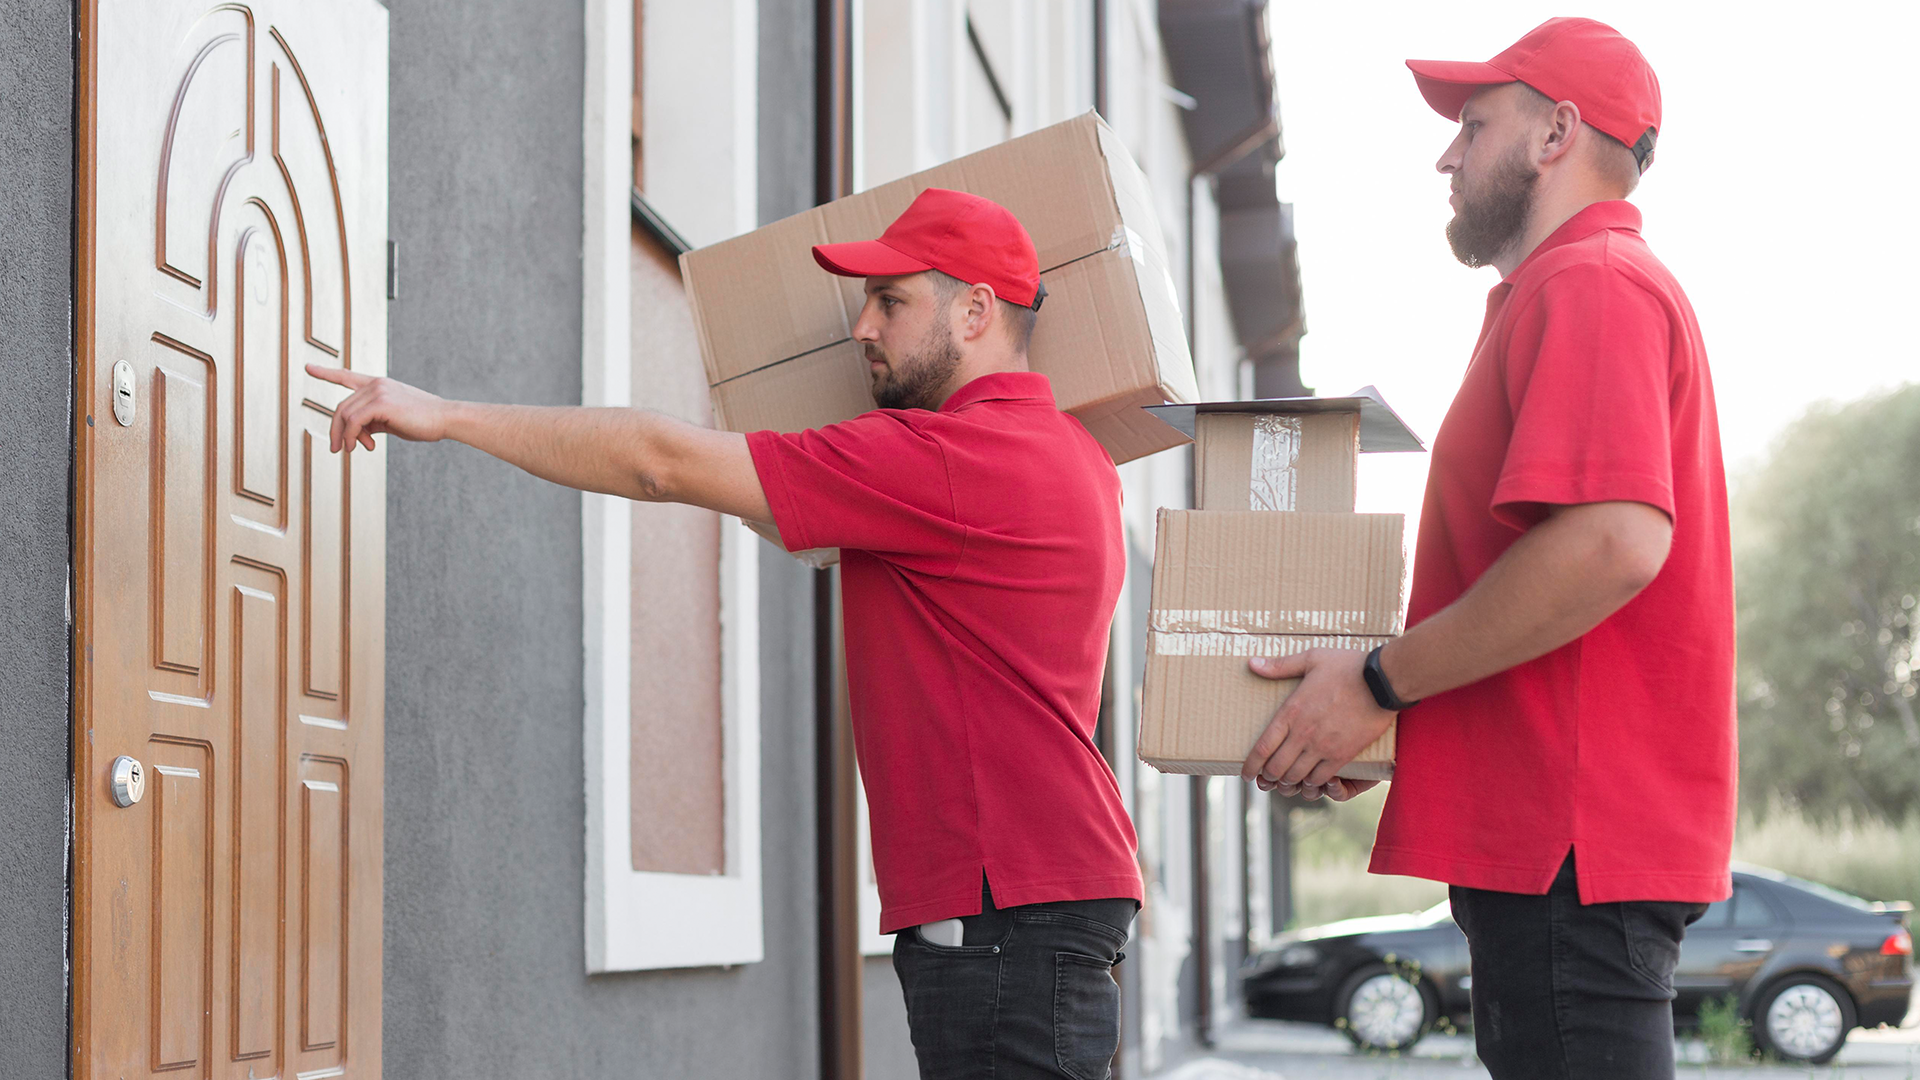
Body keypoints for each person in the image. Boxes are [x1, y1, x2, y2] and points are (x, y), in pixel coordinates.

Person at [310, 187, 1141, 1080]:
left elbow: (659, 463)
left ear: (976, 309)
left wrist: (449, 414)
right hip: (1044, 895)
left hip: (1001, 910)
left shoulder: (946, 459)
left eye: (891, 301)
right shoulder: (1078, 458)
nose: (863, 326)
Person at [1237, 18, 1733, 1079]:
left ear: (1557, 132)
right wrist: (1385, 709)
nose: (1446, 155)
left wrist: (1378, 682)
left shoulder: (1589, 282)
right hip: (1556, 848)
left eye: (1472, 124)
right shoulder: (1563, 293)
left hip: (1568, 851)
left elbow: (1610, 544)